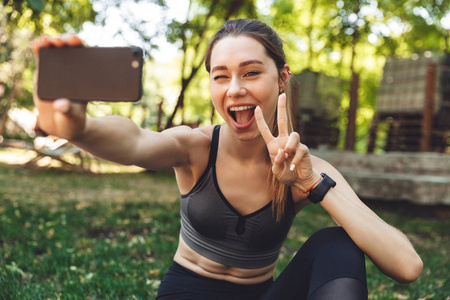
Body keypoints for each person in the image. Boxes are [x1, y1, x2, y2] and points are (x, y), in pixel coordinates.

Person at [32, 19, 423, 300]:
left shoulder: (309, 169)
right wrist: (76, 126)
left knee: (337, 242)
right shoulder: (195, 147)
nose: (235, 89)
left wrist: (311, 185)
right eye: (221, 76)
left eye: (251, 72)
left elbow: (407, 266)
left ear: (282, 77)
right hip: (186, 291)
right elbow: (135, 141)